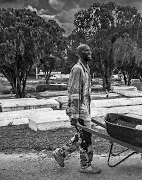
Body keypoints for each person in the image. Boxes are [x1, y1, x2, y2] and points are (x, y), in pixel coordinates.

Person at [52, 44, 101, 174]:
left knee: (83, 135)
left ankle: (60, 153)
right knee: (85, 137)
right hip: (79, 110)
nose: (89, 52)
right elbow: (74, 93)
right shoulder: (77, 69)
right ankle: (85, 166)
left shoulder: (86, 69)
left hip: (85, 108)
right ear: (79, 54)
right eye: (86, 50)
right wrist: (74, 115)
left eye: (90, 50)